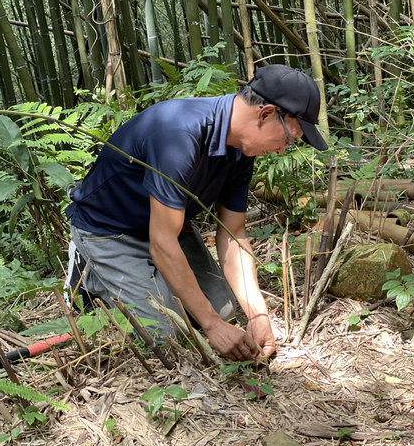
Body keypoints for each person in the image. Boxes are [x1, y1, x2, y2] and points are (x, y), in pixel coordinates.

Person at [65, 65, 328, 362]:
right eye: (289, 139)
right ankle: (88, 278)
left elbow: (234, 235)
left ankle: (155, 285)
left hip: (169, 229)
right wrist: (212, 325)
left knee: (229, 311)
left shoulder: (242, 150)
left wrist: (257, 313)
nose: (283, 150)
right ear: (265, 114)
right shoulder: (179, 133)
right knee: (167, 336)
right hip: (108, 231)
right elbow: (161, 242)